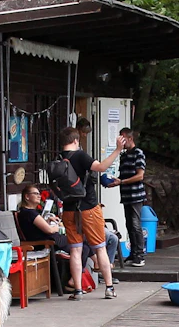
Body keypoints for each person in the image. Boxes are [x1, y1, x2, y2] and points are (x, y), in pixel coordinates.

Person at [56, 128, 117, 300]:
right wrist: (118, 149)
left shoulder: (59, 158)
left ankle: (78, 291)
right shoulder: (80, 156)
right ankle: (109, 288)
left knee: (76, 251)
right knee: (100, 247)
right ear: (76, 140)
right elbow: (102, 167)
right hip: (88, 207)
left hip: (68, 210)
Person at [114, 127, 149, 267]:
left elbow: (140, 175)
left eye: (123, 138)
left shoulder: (138, 153)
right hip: (126, 194)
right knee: (129, 224)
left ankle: (140, 255)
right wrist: (114, 182)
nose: (121, 142)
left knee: (135, 224)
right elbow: (123, 176)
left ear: (130, 138)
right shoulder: (123, 155)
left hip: (136, 195)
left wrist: (122, 182)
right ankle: (133, 253)